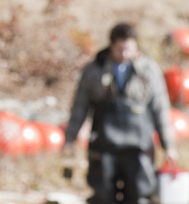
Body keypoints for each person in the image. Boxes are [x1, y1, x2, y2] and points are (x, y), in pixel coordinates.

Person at [63, 22, 178, 204]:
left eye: (128, 49)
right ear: (111, 46)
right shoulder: (94, 70)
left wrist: (168, 146)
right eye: (119, 49)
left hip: (139, 147)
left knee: (140, 195)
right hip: (103, 146)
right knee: (102, 196)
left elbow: (160, 109)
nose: (124, 54)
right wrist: (69, 138)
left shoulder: (149, 71)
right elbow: (79, 107)